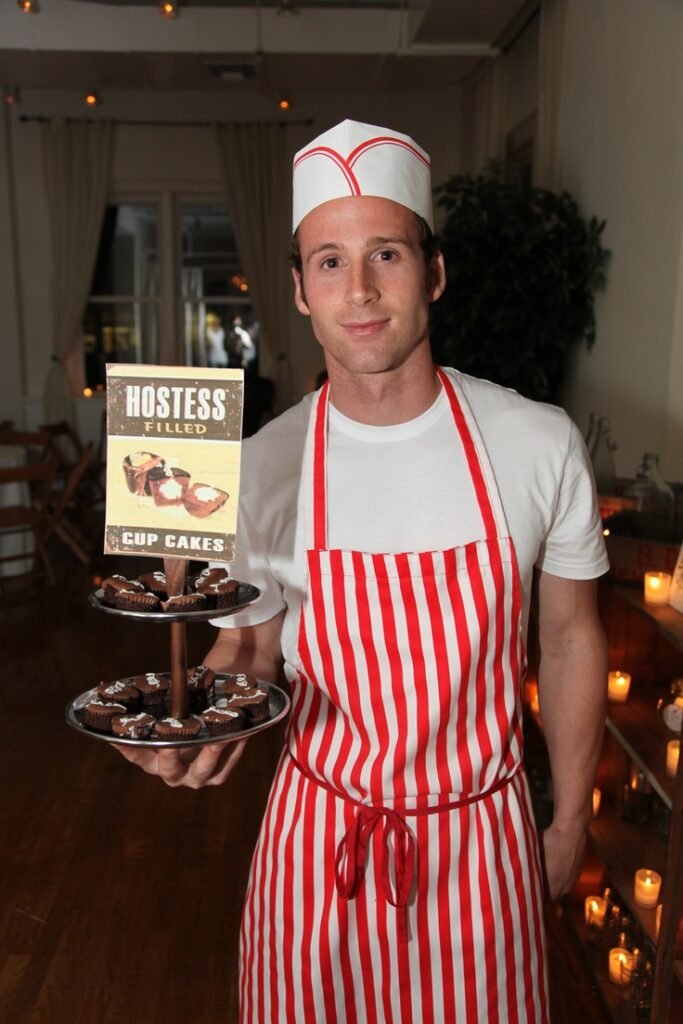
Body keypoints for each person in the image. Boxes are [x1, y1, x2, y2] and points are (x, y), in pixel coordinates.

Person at [118, 119, 609, 1022]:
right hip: (316, 848)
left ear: (433, 271)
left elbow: (571, 637)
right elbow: (249, 648)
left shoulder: (538, 445)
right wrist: (189, 721)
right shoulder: (254, 469)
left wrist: (570, 820)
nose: (360, 291)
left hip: (483, 847)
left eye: (385, 252)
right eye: (329, 261)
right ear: (299, 290)